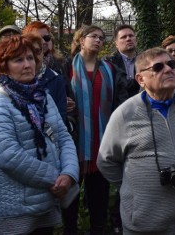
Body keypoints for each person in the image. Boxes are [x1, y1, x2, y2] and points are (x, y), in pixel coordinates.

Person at [97, 47, 175, 234]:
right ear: (140, 79)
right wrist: (135, 186)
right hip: (145, 226)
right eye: (158, 67)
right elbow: (106, 161)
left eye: (171, 64)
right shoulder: (124, 114)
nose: (168, 70)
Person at [0, 35, 78, 234]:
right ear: (3, 66)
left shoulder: (42, 96)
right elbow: (9, 157)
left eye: (30, 58)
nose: (27, 65)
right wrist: (55, 177)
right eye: (18, 60)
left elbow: (63, 137)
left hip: (45, 203)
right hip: (16, 209)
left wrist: (69, 173)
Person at [62, 25, 128, 235]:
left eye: (102, 37)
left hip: (102, 142)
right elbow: (55, 97)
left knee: (99, 195)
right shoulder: (66, 68)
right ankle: (70, 229)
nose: (99, 40)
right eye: (94, 36)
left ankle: (98, 230)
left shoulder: (110, 69)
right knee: (70, 196)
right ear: (81, 40)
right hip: (73, 142)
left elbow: (121, 100)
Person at [107, 24, 140, 97]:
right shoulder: (109, 63)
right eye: (123, 37)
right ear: (116, 44)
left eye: (131, 36)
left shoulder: (144, 60)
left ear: (136, 40)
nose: (128, 39)